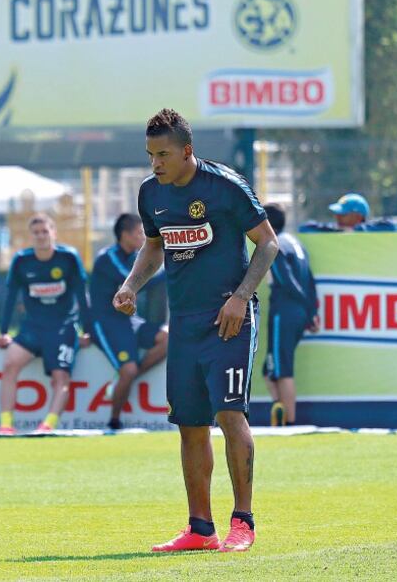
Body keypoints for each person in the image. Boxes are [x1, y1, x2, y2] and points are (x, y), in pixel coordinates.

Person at [114, 110, 278, 554]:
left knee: (229, 415)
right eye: (150, 155)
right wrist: (130, 285)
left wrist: (241, 297)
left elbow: (267, 243)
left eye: (163, 154)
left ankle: (242, 522)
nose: (155, 164)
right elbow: (153, 245)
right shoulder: (151, 194)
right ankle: (200, 529)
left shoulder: (225, 186)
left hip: (228, 320)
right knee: (190, 425)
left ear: (187, 150)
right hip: (183, 324)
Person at [0, 213, 91, 435]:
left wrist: (87, 331)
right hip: (33, 327)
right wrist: (2, 332)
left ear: (53, 233)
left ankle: (47, 425)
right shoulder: (21, 260)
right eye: (36, 233)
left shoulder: (68, 258)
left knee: (60, 377)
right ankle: (6, 425)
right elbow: (10, 298)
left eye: (45, 232)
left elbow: (81, 296)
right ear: (31, 236)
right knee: (10, 364)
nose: (41, 236)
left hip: (63, 327)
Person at [90, 213, 168, 430]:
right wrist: (173, 265)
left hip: (128, 321)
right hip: (106, 322)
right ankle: (114, 420)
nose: (143, 237)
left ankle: (125, 380)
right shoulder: (108, 257)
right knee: (128, 369)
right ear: (124, 235)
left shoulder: (134, 256)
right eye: (139, 232)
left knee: (168, 338)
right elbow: (134, 279)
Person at [262, 205, 319, 426]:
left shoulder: (274, 244)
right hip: (299, 311)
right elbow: (310, 280)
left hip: (284, 311)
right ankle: (280, 409)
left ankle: (288, 423)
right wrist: (311, 312)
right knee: (270, 369)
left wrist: (303, 305)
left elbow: (286, 281)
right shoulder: (296, 244)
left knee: (282, 369)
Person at [299, 193, 397, 232]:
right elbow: (304, 228)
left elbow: (391, 226)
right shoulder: (336, 231)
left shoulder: (370, 231)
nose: (338, 217)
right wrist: (338, 231)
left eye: (343, 214)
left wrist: (354, 230)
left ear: (358, 217)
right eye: (337, 214)